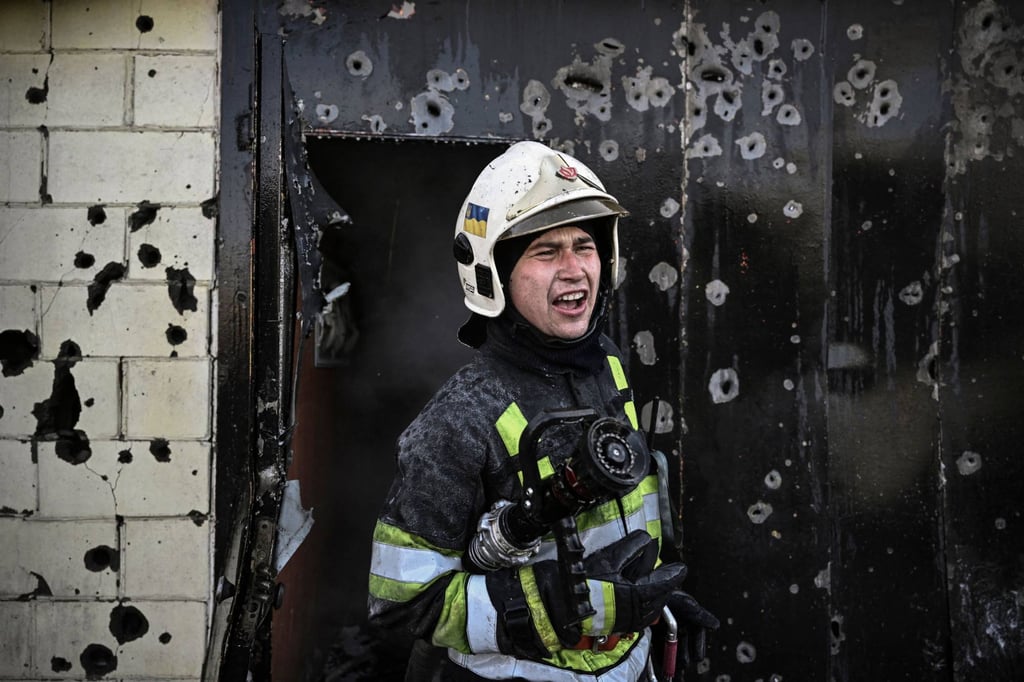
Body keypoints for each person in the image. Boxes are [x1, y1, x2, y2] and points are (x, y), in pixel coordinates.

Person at [368, 141, 717, 681]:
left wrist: (650, 607)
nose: (575, 269)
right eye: (546, 252)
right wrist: (553, 604)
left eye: (584, 245)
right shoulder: (458, 418)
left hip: (627, 663)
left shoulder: (603, 363)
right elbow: (402, 602)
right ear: (496, 273)